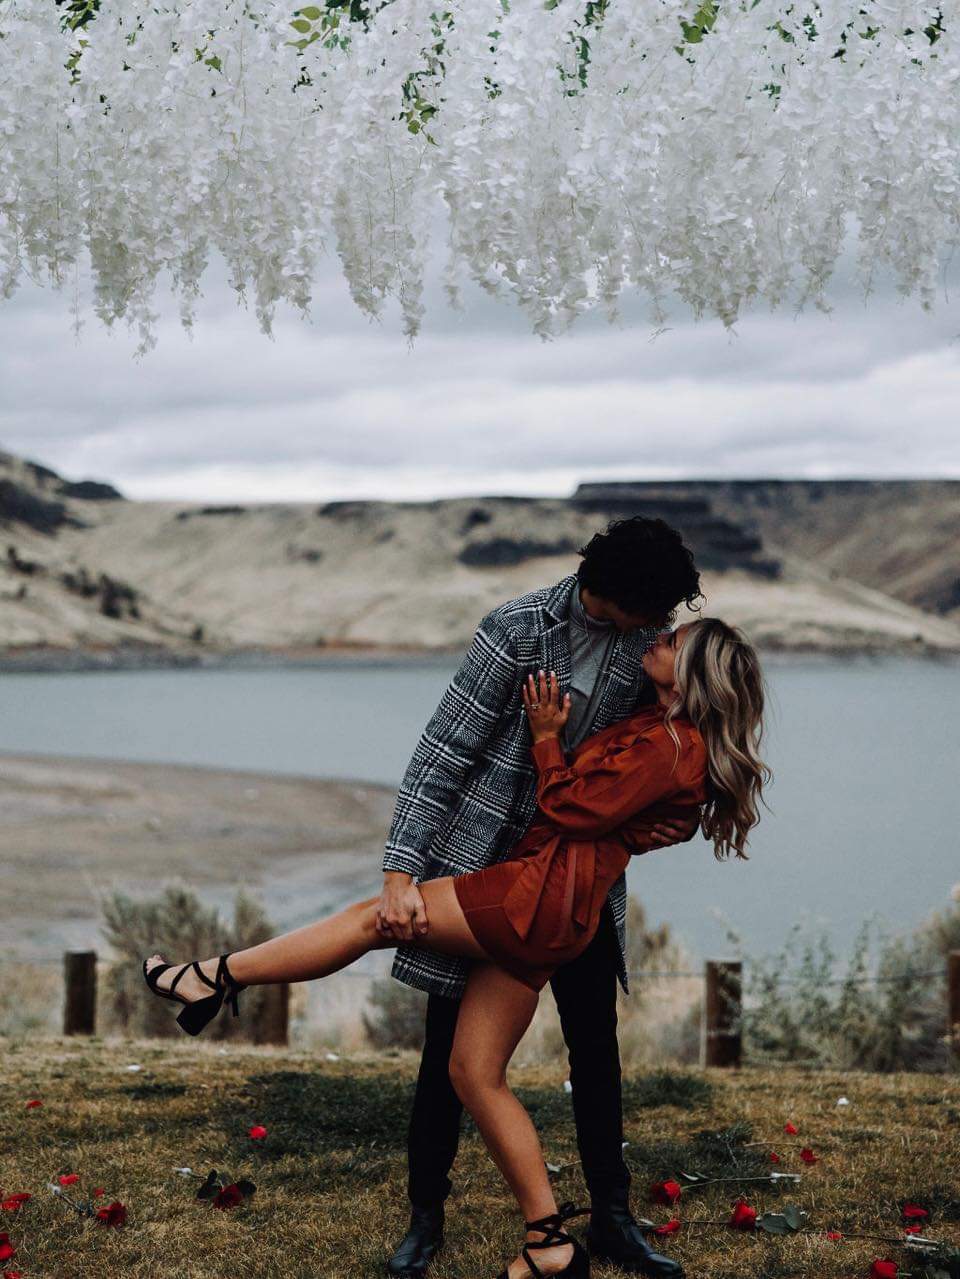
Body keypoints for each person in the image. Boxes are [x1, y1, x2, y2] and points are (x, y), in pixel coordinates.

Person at [143, 615, 770, 1279]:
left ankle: (212, 977)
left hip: (535, 896)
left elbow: (569, 808)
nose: (658, 639)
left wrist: (547, 737)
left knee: (375, 917)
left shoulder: (669, 745)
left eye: (672, 642)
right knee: (473, 1072)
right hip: (556, 907)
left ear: (691, 676)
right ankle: (549, 1243)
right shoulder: (662, 728)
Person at [380, 516, 705, 1279]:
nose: (658, 625)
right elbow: (444, 750)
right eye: (649, 611)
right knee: (447, 1049)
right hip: (484, 873)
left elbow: (671, 739)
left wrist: (682, 811)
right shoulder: (516, 629)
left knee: (595, 1045)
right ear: (613, 592)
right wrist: (401, 869)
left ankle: (614, 1220)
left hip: (580, 884)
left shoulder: (646, 644)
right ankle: (425, 1215)